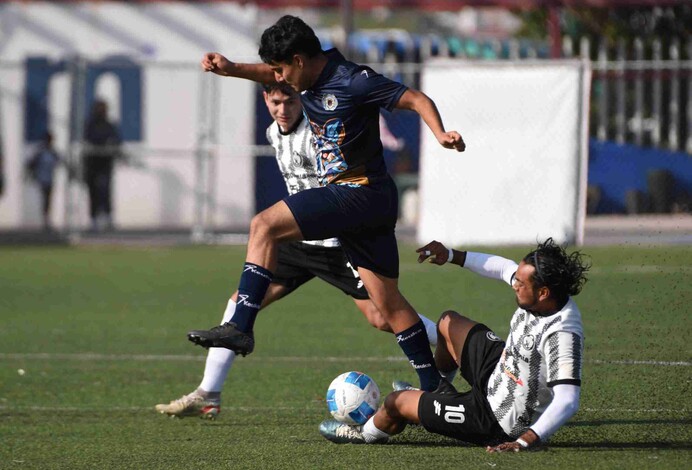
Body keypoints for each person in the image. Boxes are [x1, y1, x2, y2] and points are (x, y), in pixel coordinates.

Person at [187, 15, 465, 392]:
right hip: (371, 202)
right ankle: (435, 387)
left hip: (357, 192)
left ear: (299, 60)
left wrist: (440, 133)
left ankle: (241, 326)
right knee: (387, 306)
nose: (279, 78)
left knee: (263, 225)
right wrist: (232, 69)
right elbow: (269, 75)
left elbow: (414, 98)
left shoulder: (353, 80)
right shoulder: (304, 77)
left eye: (282, 69)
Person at [156, 82, 438, 418]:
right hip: (298, 243)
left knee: (382, 316)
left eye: (289, 101)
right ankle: (208, 392)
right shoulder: (273, 132)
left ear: (301, 100)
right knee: (241, 303)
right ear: (266, 100)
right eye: (275, 102)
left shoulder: (319, 133)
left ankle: (452, 342)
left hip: (338, 244)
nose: (282, 110)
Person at [319, 238, 589, 452]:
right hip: (499, 371)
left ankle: (365, 434)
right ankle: (438, 389)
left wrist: (525, 440)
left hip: (495, 419)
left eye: (520, 282)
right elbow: (503, 268)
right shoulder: (540, 293)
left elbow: (567, 400)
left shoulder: (562, 333)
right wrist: (451, 255)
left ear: (543, 293)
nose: (514, 283)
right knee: (448, 322)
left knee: (395, 403)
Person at [83, 99, 121, 232]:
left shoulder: (109, 125)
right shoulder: (90, 125)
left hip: (105, 163)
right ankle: (93, 219)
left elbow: (116, 141)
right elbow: (87, 139)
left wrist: (112, 147)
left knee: (105, 191)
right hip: (92, 163)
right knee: (93, 192)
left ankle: (107, 217)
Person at [26, 131, 63, 231]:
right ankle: (45, 218)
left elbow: (59, 160)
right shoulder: (41, 152)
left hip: (49, 179)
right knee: (45, 199)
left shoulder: (52, 152)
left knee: (48, 199)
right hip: (42, 179)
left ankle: (46, 218)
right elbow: (31, 163)